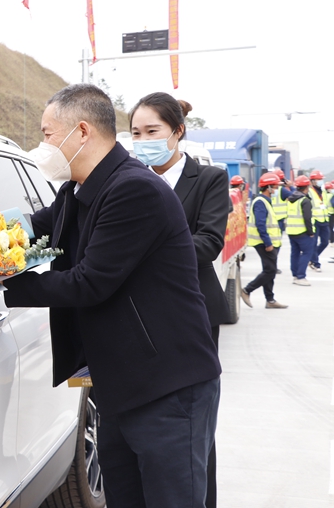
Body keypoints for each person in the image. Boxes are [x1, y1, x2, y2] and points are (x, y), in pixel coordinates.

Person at [3, 84, 221, 508]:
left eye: (48, 134)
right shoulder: (77, 190)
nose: (43, 144)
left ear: (80, 132)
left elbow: (89, 282)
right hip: (120, 385)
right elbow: (32, 230)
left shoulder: (132, 190)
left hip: (167, 386)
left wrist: (4, 289)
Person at [129, 94, 229, 508]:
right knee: (157, 426)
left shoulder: (208, 179)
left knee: (195, 426)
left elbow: (208, 242)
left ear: (177, 132)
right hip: (143, 315)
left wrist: (145, 247)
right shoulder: (132, 179)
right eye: (136, 133)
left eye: (152, 132)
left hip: (194, 313)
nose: (143, 140)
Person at [240, 172, 288, 308]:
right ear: (268, 187)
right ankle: (247, 290)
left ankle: (270, 300)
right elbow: (261, 224)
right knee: (270, 270)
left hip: (270, 242)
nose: (277, 189)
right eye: (275, 186)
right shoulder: (260, 202)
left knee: (269, 270)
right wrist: (268, 243)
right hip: (264, 243)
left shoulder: (265, 200)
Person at [286, 175, 315, 286]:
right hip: (302, 232)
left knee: (295, 253)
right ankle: (301, 276)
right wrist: (310, 232)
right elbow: (307, 218)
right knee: (307, 253)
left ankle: (295, 275)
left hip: (291, 231)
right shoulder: (305, 200)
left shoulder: (291, 199)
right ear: (306, 188)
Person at [307, 170, 329, 271]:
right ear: (312, 181)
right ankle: (315, 263)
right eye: (319, 179)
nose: (321, 181)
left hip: (324, 219)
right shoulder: (309, 192)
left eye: (321, 179)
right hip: (315, 220)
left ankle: (311, 258)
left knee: (325, 242)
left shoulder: (323, 191)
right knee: (314, 243)